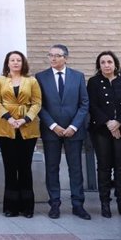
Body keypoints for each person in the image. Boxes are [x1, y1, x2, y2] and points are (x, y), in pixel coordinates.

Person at [35, 44, 90, 220]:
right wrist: (53, 126)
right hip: (51, 131)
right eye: (50, 55)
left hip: (74, 131)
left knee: (75, 168)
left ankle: (78, 205)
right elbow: (39, 105)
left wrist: (73, 126)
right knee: (52, 168)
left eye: (57, 56)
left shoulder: (78, 76)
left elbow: (84, 104)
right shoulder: (40, 77)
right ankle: (55, 204)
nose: (53, 59)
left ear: (66, 58)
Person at [0, 50, 41, 218]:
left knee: (25, 167)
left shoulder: (31, 81)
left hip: (28, 128)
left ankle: (27, 207)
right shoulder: (0, 80)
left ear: (23, 63)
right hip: (6, 128)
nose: (15, 63)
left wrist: (25, 119)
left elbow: (37, 103)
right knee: (10, 167)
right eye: (12, 60)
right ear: (7, 63)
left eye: (18, 60)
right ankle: (11, 207)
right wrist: (8, 118)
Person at [88, 51, 121, 218]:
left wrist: (119, 123)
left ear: (115, 64)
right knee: (104, 166)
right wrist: (109, 123)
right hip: (101, 130)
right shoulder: (94, 82)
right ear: (99, 65)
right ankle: (105, 204)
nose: (106, 65)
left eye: (109, 62)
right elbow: (93, 106)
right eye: (103, 62)